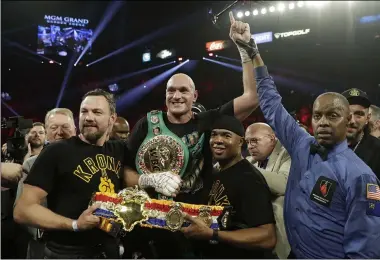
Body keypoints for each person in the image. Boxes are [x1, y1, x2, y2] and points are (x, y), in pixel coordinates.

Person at [229, 12, 380, 258]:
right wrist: (252, 51)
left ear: (348, 120)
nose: (322, 122)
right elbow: (270, 103)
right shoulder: (302, 143)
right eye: (318, 115)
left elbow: (366, 249)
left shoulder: (361, 176)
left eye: (333, 116)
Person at [123, 14, 260, 257]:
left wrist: (245, 49)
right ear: (165, 95)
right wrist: (147, 180)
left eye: (183, 91)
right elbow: (126, 170)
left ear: (194, 96)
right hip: (149, 223)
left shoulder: (207, 121)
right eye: (171, 91)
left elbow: (251, 97)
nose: (176, 96)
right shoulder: (147, 123)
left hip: (193, 224)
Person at [14, 89, 134, 258]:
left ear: (112, 119)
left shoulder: (119, 149)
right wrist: (75, 224)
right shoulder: (57, 151)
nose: (89, 117)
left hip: (109, 249)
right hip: (67, 252)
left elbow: (134, 181)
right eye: (84, 111)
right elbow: (23, 210)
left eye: (97, 112)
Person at [182, 115, 276, 259]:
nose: (218, 140)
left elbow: (267, 237)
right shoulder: (215, 172)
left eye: (226, 135)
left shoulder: (249, 178)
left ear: (240, 142)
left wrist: (213, 234)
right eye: (214, 135)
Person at [15, 108, 77, 259]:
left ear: (75, 130)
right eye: (53, 128)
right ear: (47, 132)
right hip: (44, 244)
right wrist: (41, 232)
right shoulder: (32, 164)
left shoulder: (86, 159)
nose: (59, 132)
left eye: (65, 127)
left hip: (80, 244)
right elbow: (21, 207)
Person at [245, 123, 291, 259]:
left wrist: (246, 168)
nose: (250, 146)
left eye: (254, 140)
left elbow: (283, 184)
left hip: (285, 225)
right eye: (247, 142)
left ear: (271, 138)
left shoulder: (287, 152)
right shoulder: (252, 160)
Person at [342, 88, 380, 179]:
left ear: (367, 118)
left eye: (359, 114)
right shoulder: (324, 146)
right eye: (347, 113)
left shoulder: (378, 151)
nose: (352, 121)